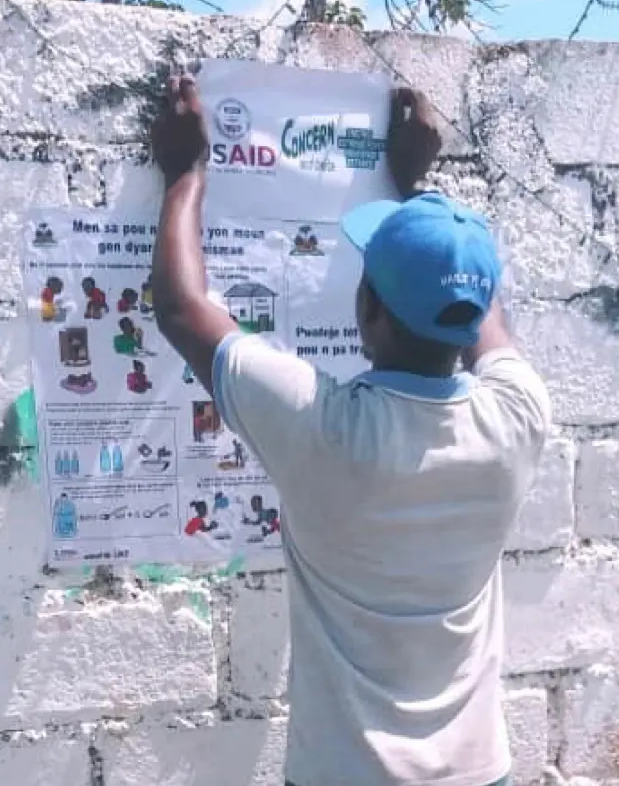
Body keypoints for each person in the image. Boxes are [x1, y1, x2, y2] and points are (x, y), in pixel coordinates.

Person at [150, 73, 551, 786]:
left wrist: (186, 169)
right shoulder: (518, 415)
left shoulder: (326, 429)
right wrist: (418, 192)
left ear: (366, 311)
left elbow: (184, 309)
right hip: (479, 770)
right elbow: (475, 314)